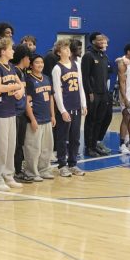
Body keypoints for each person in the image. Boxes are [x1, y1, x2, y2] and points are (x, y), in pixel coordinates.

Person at [0, 39, 24, 192]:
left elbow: (21, 84)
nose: (13, 51)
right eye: (11, 49)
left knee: (10, 147)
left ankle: (8, 175)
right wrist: (15, 86)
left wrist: (20, 91)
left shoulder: (12, 68)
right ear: (3, 51)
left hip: (11, 111)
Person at [51, 39, 87, 177]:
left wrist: (83, 104)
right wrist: (62, 110)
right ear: (59, 53)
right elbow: (57, 92)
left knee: (75, 137)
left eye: (68, 48)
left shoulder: (76, 65)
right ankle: (62, 165)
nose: (68, 50)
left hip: (76, 106)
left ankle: (73, 163)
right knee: (62, 137)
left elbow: (81, 86)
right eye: (64, 49)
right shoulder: (57, 68)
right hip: (65, 108)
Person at [24, 55, 55, 178]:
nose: (40, 65)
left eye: (42, 62)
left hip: (47, 118)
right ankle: (31, 172)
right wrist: (32, 119)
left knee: (47, 147)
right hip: (35, 119)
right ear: (31, 65)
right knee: (33, 148)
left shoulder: (47, 78)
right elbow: (27, 102)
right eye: (37, 62)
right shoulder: (29, 80)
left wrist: (53, 115)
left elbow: (51, 98)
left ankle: (44, 170)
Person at [82, 32, 112, 158]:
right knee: (91, 121)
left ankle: (95, 145)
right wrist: (89, 92)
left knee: (100, 120)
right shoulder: (88, 56)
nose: (102, 41)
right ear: (93, 41)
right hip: (93, 94)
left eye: (104, 39)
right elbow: (85, 76)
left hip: (103, 93)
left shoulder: (104, 56)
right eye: (99, 40)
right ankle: (88, 147)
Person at [12, 45, 35, 182]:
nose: (30, 61)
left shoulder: (22, 72)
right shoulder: (15, 72)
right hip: (15, 113)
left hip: (21, 112)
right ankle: (15, 171)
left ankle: (18, 170)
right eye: (28, 58)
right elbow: (17, 95)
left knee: (20, 144)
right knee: (15, 145)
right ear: (23, 58)